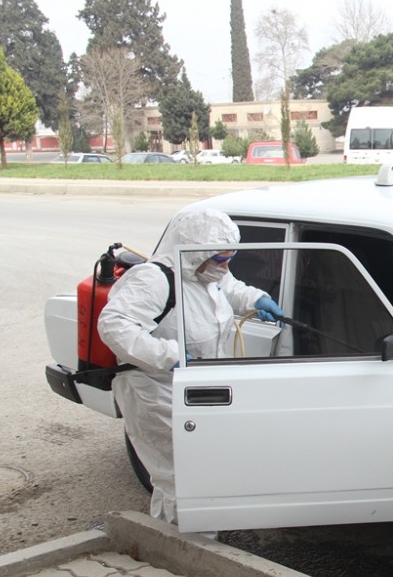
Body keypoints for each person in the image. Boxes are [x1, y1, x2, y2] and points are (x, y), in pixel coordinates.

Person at [98, 207, 283, 525]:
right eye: (220, 259)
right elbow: (115, 326)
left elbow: (230, 288)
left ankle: (179, 543)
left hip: (196, 390)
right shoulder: (153, 280)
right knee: (180, 477)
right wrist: (171, 356)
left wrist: (257, 299)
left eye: (230, 258)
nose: (226, 266)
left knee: (198, 471)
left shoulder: (207, 271)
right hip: (154, 391)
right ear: (195, 253)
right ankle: (182, 549)